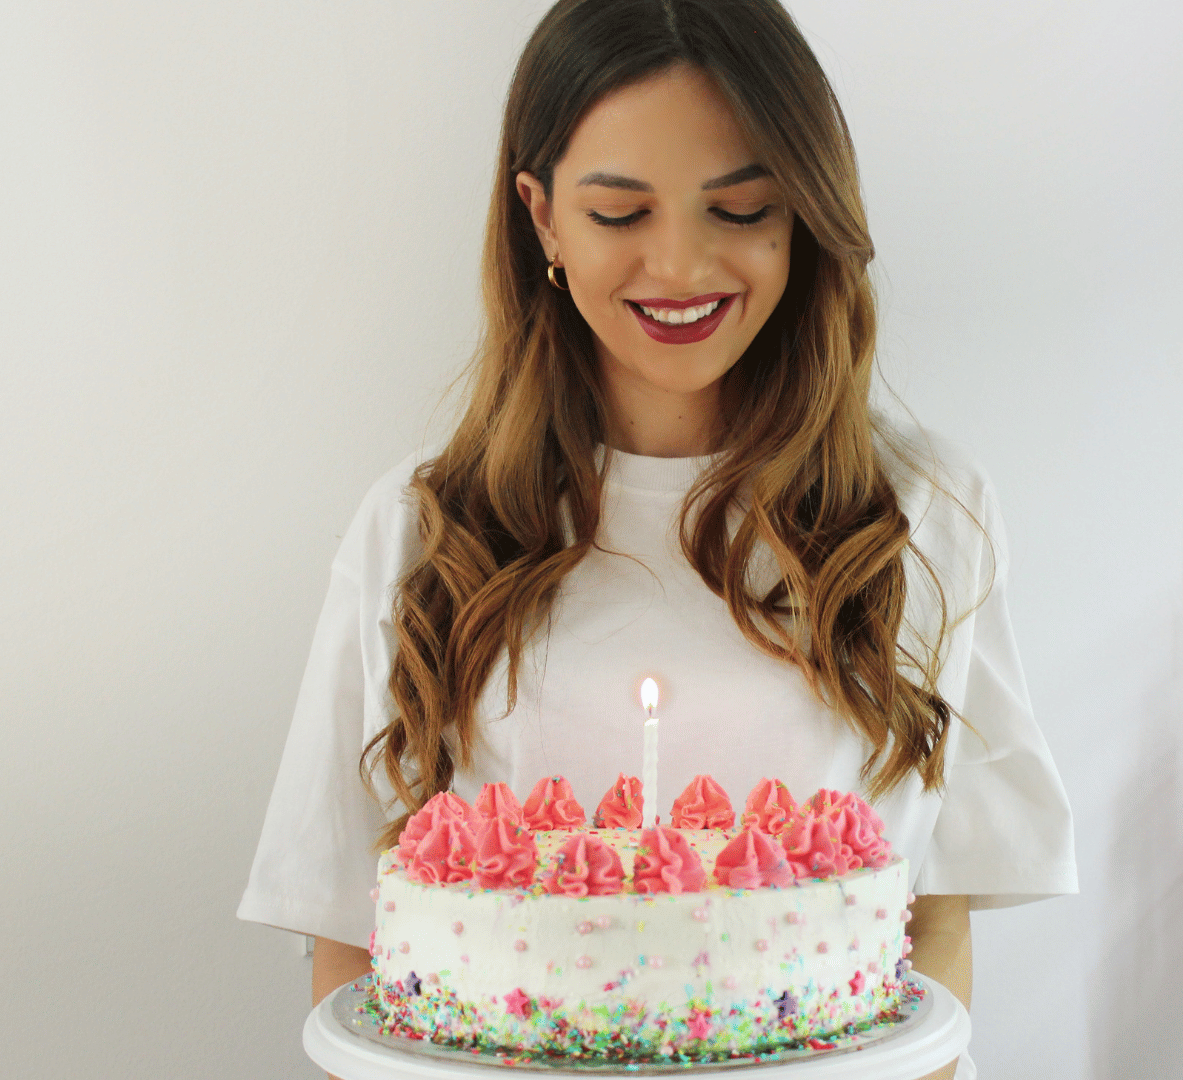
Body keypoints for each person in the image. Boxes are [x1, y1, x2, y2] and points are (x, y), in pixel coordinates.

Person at [237, 2, 1077, 1077]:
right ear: (540, 217)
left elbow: (936, 921)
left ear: (802, 213)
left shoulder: (917, 515)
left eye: (739, 208)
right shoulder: (422, 531)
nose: (679, 266)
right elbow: (350, 938)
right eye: (620, 214)